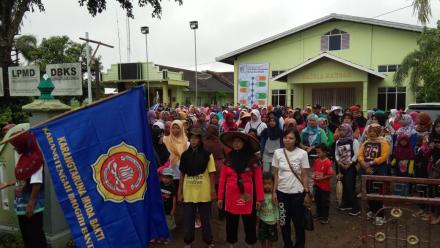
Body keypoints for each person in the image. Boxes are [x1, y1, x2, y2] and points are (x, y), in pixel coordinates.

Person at [0, 132, 47, 248]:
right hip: (22, 203)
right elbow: (24, 180)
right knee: (26, 234)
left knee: (34, 235)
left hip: (31, 205)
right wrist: (8, 183)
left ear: (23, 145)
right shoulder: (24, 157)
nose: (14, 148)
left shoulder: (34, 159)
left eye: (16, 145)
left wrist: (31, 203)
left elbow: (37, 183)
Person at [217, 131, 264, 248]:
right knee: (231, 222)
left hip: (247, 196)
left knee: (250, 222)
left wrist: (260, 199)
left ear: (244, 143)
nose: (236, 143)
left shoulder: (253, 160)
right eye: (234, 141)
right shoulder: (228, 159)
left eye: (239, 141)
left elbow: (258, 180)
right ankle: (231, 244)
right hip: (230, 196)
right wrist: (220, 197)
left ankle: (250, 244)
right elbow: (222, 180)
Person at [272, 127, 312, 248]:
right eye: (285, 137)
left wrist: (306, 192)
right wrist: (274, 192)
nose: (287, 140)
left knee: (298, 222)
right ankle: (287, 244)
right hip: (282, 193)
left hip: (297, 193)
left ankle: (300, 245)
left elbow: (304, 175)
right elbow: (276, 174)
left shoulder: (303, 153)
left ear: (296, 140)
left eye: (291, 138)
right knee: (284, 222)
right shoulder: (277, 153)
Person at [178, 128, 216, 248]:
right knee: (188, 219)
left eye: (196, 138)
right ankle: (188, 242)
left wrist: (213, 190)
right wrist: (180, 191)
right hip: (188, 191)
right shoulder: (184, 155)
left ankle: (208, 241)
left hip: (203, 192)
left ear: (200, 140)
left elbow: (212, 173)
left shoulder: (208, 155)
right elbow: (182, 174)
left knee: (206, 219)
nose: (193, 141)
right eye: (192, 138)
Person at [358, 123, 390, 226]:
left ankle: (381, 215)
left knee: (378, 193)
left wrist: (371, 163)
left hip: (378, 171)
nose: (371, 133)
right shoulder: (366, 142)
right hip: (366, 170)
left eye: (374, 131)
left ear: (378, 132)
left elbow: (384, 156)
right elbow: (360, 154)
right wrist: (363, 163)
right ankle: (372, 210)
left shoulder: (384, 142)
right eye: (370, 131)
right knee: (368, 191)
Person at [335, 123, 361, 216]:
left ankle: (356, 207)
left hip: (351, 167)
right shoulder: (338, 142)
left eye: (343, 130)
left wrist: (349, 163)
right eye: (340, 130)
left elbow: (357, 154)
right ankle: (347, 203)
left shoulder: (354, 141)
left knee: (350, 186)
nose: (341, 132)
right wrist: (339, 162)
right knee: (344, 185)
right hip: (342, 166)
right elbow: (336, 154)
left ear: (348, 130)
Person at [163, 120, 189, 190]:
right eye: (173, 128)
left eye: (177, 128)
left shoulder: (186, 143)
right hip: (168, 173)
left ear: (181, 129)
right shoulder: (165, 140)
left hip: (181, 172)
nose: (175, 130)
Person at [312, 143, 334, 224]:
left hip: (324, 187)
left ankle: (325, 217)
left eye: (319, 152)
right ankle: (319, 214)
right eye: (317, 152)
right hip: (317, 185)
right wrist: (313, 175)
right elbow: (314, 170)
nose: (317, 154)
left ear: (325, 152)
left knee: (324, 202)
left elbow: (330, 174)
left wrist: (322, 178)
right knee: (318, 200)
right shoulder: (316, 161)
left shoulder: (328, 162)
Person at [257, 172, 279, 248]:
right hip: (262, 221)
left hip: (272, 222)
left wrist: (278, 219)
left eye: (269, 184)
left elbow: (277, 208)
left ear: (273, 184)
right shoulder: (260, 195)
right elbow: (258, 209)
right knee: (262, 238)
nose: (267, 186)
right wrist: (257, 217)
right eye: (264, 184)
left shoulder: (274, 196)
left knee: (271, 239)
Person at [160, 167, 177, 239]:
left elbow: (174, 198)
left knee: (168, 224)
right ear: (161, 177)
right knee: (161, 222)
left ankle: (168, 236)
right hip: (161, 208)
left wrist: (173, 208)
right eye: (164, 177)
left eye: (168, 177)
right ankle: (162, 236)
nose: (166, 179)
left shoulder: (172, 187)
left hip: (168, 209)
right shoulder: (160, 185)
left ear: (171, 178)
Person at [429, 118, 440, 224]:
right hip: (434, 166)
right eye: (437, 126)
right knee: (434, 189)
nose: (438, 128)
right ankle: (434, 213)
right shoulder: (432, 135)